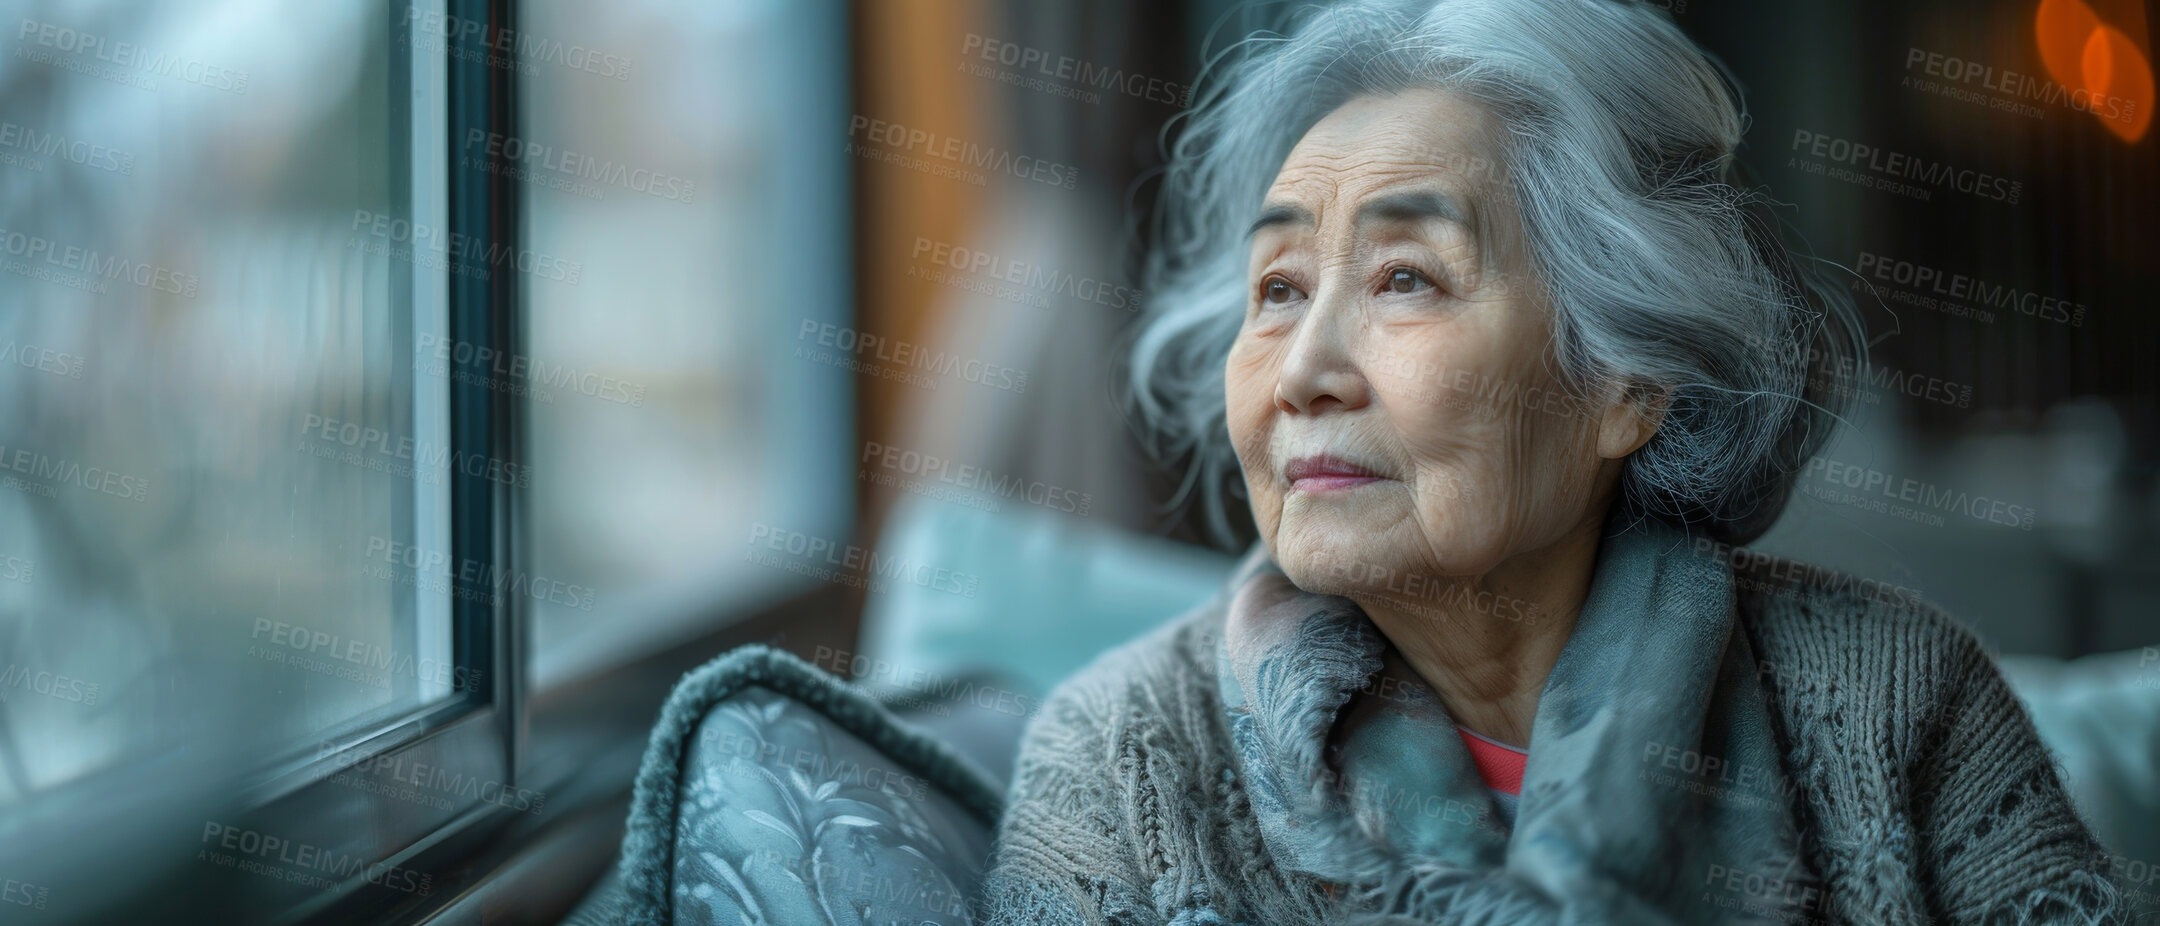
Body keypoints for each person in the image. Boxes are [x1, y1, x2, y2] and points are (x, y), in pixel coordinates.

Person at [979, 0, 2126, 922]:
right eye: (1278, 289)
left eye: (1404, 279)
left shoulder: (1899, 700)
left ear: (1627, 380)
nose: (1303, 369)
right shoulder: (1121, 762)